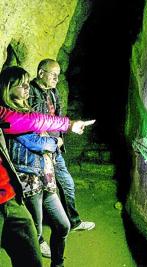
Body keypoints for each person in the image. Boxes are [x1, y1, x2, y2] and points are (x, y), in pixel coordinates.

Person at [0, 67, 93, 267]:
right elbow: (35, 139)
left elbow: (42, 122)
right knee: (33, 234)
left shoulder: (27, 111)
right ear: (8, 88)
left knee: (63, 225)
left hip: (45, 176)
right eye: (22, 84)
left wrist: (65, 127)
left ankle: (57, 264)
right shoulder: (7, 115)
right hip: (28, 179)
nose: (27, 88)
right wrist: (55, 141)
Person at [29, 58, 95, 231]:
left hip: (54, 148)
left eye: (58, 76)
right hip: (39, 151)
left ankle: (72, 222)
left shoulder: (53, 92)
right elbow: (36, 121)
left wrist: (64, 132)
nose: (56, 79)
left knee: (66, 184)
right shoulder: (29, 92)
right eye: (53, 75)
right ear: (41, 73)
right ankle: (38, 235)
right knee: (39, 192)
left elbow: (58, 117)